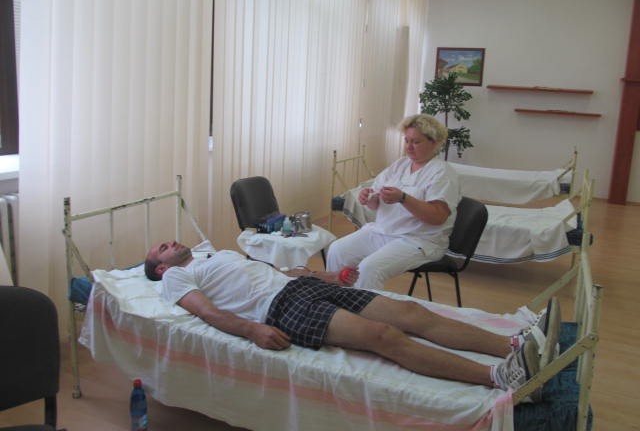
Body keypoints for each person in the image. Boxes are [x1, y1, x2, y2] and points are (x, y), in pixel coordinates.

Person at [144, 241, 560, 400]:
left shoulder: (216, 255)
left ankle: (515, 343)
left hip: (300, 287)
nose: (171, 242)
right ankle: (499, 377)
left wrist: (325, 276)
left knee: (412, 313)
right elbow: (207, 312)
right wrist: (253, 330)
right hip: (281, 309)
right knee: (383, 335)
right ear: (161, 268)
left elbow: (277, 272)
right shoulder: (176, 278)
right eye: (162, 247)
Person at [327, 114, 460, 290]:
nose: (409, 147)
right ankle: (335, 300)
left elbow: (438, 217)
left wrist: (403, 198)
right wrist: (369, 198)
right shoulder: (400, 165)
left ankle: (366, 307)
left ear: (434, 143)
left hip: (419, 240)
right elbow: (376, 203)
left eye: (416, 142)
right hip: (383, 231)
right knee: (337, 250)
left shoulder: (442, 173)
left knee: (369, 269)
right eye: (407, 141)